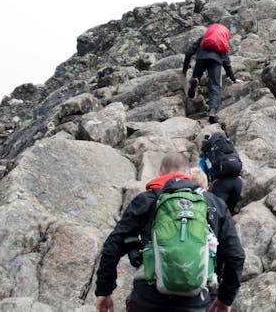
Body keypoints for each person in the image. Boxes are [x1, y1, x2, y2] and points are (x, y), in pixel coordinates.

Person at [94, 152, 245, 312]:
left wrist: (104, 291)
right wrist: (224, 299)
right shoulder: (214, 204)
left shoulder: (147, 200)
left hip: (148, 299)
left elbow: (113, 244)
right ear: (188, 174)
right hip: (196, 302)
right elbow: (235, 255)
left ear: (160, 173)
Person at [183, 24, 238, 124]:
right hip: (216, 62)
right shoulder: (221, 43)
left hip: (201, 59)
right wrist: (233, 79)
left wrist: (185, 68)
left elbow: (189, 52)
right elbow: (227, 63)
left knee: (196, 76)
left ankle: (194, 82)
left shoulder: (204, 39)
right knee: (215, 86)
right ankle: (212, 111)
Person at [199, 131, 244, 214]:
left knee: (217, 213)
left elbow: (201, 173)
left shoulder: (209, 154)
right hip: (238, 182)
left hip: (221, 184)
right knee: (230, 212)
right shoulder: (230, 149)